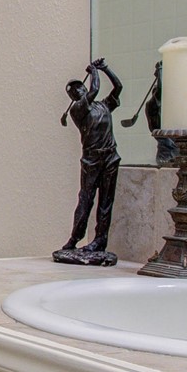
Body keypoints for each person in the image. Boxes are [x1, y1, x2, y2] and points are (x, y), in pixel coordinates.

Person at [55, 59, 124, 265]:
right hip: (91, 160)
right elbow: (95, 89)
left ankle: (99, 241)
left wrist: (105, 69)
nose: (79, 91)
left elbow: (118, 87)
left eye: (79, 87)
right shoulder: (78, 110)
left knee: (105, 203)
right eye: (74, 91)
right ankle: (74, 238)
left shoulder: (103, 106)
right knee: (86, 200)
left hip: (110, 157)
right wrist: (94, 71)